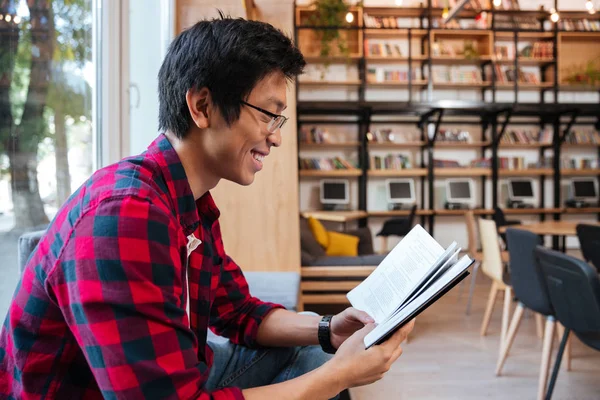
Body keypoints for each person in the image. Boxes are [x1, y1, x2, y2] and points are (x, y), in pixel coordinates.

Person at [0, 15, 414, 399]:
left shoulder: (188, 202)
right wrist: (339, 375)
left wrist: (328, 329)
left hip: (178, 376)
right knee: (325, 375)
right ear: (201, 106)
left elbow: (237, 312)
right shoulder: (126, 216)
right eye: (269, 114)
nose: (276, 137)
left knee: (314, 357)